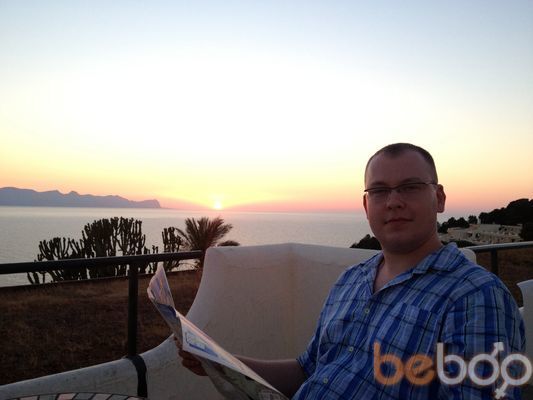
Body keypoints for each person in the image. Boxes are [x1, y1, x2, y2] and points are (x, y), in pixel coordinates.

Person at [178, 143, 525, 399]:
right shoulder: (351, 280)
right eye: (379, 191)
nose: (393, 201)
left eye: (409, 187)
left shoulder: (476, 297)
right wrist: (221, 362)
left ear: (440, 198)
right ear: (365, 204)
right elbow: (307, 369)